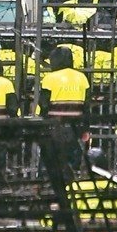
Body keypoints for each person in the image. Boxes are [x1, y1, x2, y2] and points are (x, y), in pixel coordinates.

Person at [39, 46, 91, 178]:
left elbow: (43, 104)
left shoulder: (49, 78)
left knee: (50, 161)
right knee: (73, 163)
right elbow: (86, 105)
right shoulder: (82, 78)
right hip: (76, 128)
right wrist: (86, 129)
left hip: (54, 127)